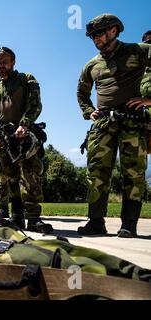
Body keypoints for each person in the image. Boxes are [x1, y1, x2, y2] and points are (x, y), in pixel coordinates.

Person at [77, 14, 151, 237]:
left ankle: (129, 224)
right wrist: (89, 112)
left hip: (132, 121)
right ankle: (96, 222)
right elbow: (82, 92)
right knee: (96, 174)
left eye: (99, 33)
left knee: (133, 174)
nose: (95, 39)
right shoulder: (92, 64)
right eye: (92, 36)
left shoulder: (137, 51)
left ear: (114, 30)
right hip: (103, 125)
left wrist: (149, 100)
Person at [0, 46, 53, 234]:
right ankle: (16, 217)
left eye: (4, 61)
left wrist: (24, 124)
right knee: (10, 177)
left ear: (13, 62)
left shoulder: (26, 79)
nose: (1, 65)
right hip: (3, 139)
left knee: (30, 176)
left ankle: (33, 218)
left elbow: (35, 104)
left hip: (24, 135)